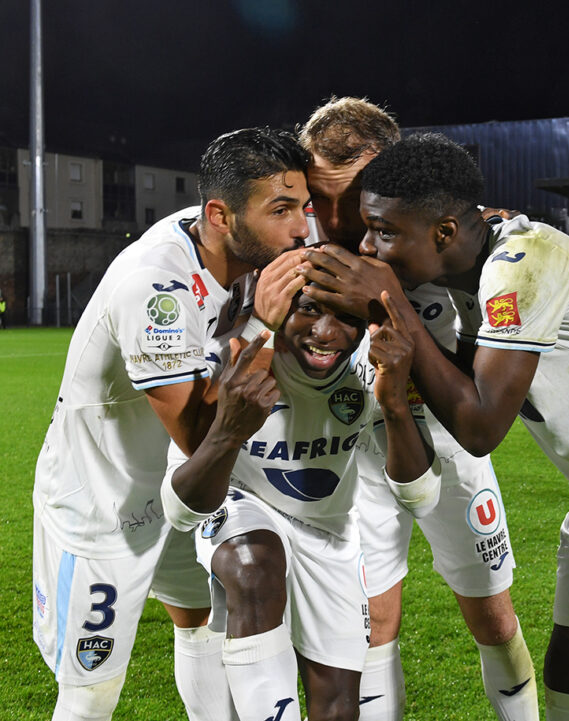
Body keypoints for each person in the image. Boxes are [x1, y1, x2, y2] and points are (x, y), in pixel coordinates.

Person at [301, 132, 569, 721]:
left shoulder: (523, 264)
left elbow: (482, 426)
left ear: (444, 233)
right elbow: (460, 375)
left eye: (384, 230)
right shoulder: (471, 260)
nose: (368, 245)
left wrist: (391, 304)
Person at [32, 127, 310, 721]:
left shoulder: (236, 241)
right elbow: (199, 435)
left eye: (304, 207)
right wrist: (262, 325)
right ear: (220, 214)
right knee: (91, 690)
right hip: (103, 498)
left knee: (200, 622)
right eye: (282, 210)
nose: (301, 229)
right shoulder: (154, 286)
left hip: (178, 487)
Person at [298, 97, 536, 720]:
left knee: (489, 612)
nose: (335, 217)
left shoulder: (453, 240)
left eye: (350, 198)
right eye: (320, 197)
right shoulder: (298, 244)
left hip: (450, 445)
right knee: (373, 621)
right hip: (358, 454)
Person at [161, 285, 437, 721]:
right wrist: (228, 431)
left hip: (329, 530)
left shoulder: (378, 362)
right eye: (308, 310)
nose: (326, 332)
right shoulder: (237, 359)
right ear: (278, 310)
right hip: (241, 499)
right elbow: (179, 511)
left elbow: (420, 497)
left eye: (345, 315)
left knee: (337, 702)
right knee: (253, 563)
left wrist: (396, 404)